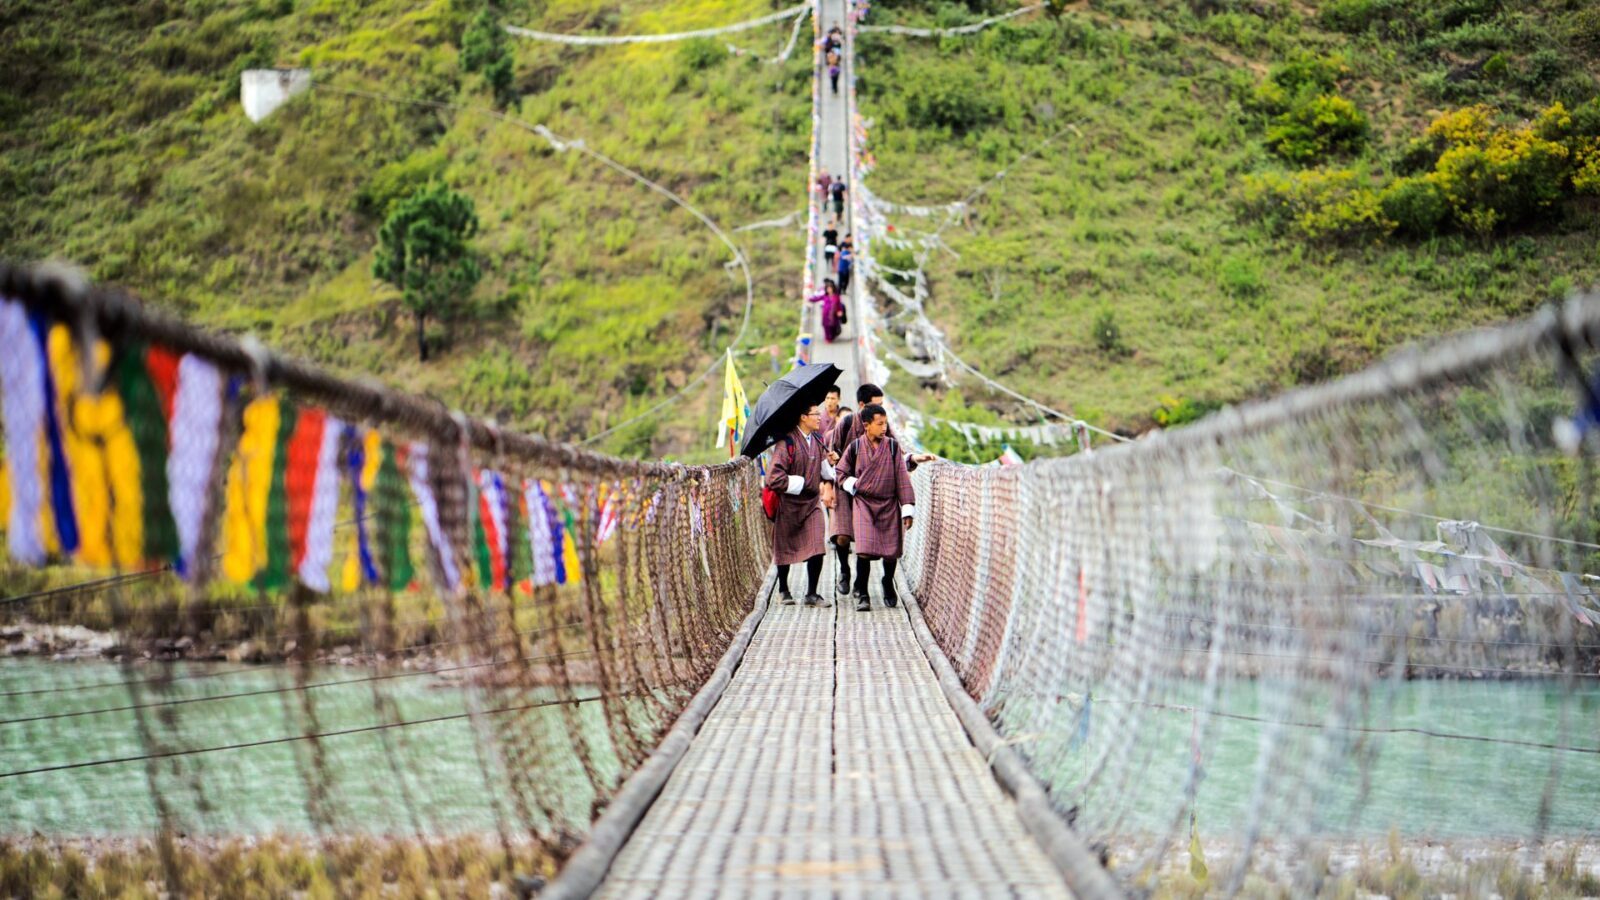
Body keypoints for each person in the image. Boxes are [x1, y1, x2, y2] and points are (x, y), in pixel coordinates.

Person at [826, 383, 935, 597]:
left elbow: (895, 457)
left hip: (877, 495)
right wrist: (835, 465)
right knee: (842, 536)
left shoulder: (884, 429)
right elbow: (834, 458)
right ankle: (845, 570)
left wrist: (913, 459)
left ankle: (874, 585)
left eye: (882, 406)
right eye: (876, 406)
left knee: (879, 545)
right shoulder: (846, 424)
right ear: (862, 406)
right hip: (849, 488)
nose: (881, 413)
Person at [836, 404, 914, 611]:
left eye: (886, 423)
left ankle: (888, 583)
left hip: (888, 504)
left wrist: (907, 507)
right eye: (880, 424)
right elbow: (840, 473)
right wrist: (854, 484)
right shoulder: (854, 447)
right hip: (864, 504)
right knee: (864, 551)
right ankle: (862, 592)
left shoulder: (892, 447)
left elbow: (902, 477)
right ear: (866, 425)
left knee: (891, 551)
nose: (884, 428)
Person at [764, 404, 836, 607]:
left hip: (812, 503)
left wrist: (831, 461)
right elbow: (773, 478)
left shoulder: (819, 440)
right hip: (789, 504)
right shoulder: (786, 442)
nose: (819, 417)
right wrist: (801, 483)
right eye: (815, 414)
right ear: (803, 417)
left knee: (817, 544)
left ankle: (812, 593)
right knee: (784, 547)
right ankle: (783, 589)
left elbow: (825, 472)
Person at [807, 279, 845, 343]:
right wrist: (809, 298)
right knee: (826, 326)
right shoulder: (825, 296)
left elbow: (839, 304)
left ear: (833, 289)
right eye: (828, 289)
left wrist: (840, 311)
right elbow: (816, 298)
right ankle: (828, 338)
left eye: (830, 288)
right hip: (826, 314)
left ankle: (832, 336)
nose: (829, 290)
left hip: (834, 315)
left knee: (833, 326)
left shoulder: (836, 296)